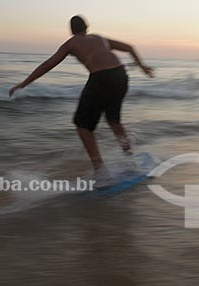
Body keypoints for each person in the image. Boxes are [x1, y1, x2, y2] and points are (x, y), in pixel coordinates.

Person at [9, 16, 154, 174]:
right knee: (113, 119)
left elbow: (48, 64)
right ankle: (130, 157)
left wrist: (24, 83)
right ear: (87, 27)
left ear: (71, 31)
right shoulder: (99, 37)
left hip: (101, 78)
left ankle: (100, 170)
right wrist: (142, 66)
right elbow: (129, 47)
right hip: (120, 75)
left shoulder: (71, 43)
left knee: (82, 126)